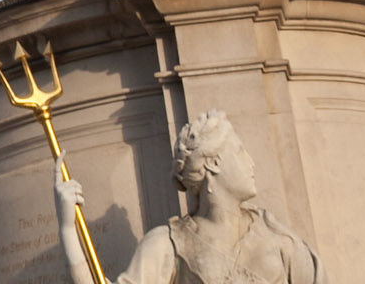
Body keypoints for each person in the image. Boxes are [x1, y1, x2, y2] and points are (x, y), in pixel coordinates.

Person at [54, 110, 326, 283]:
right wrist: (68, 229)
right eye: (240, 152)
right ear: (214, 163)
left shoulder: (279, 239)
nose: (251, 163)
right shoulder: (169, 243)